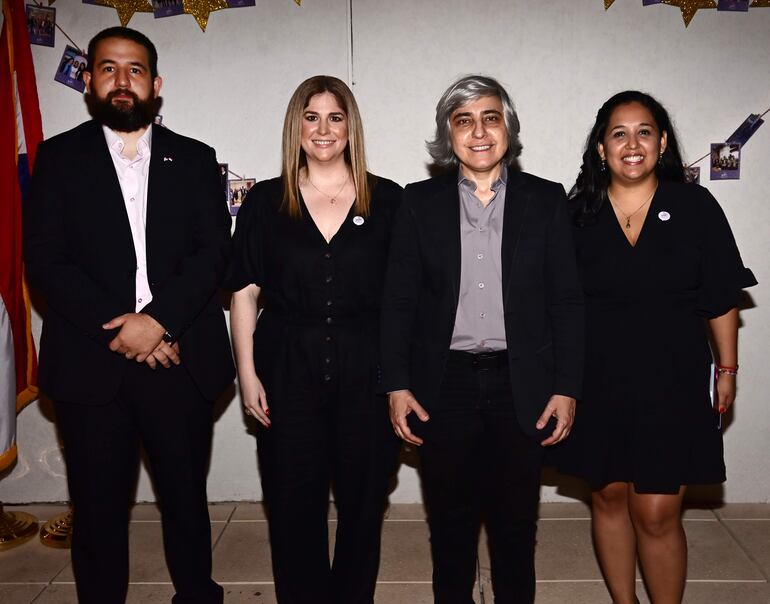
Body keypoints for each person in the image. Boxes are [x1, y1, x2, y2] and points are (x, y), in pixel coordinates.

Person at [24, 27, 234, 604]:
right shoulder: (59, 159)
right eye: (109, 68)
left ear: (155, 83)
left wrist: (158, 321)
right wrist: (125, 329)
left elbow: (212, 252)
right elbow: (46, 260)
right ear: (89, 80)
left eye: (135, 69)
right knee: (96, 511)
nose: (123, 80)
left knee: (186, 503)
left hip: (178, 358)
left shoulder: (194, 159)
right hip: (91, 366)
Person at [380, 75, 585, 604]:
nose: (478, 131)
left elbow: (566, 301)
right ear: (448, 135)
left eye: (490, 117)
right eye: (463, 120)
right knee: (450, 530)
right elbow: (399, 302)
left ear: (508, 129)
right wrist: (396, 384)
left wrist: (567, 387)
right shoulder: (417, 203)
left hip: (524, 382)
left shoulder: (545, 200)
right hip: (443, 384)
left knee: (516, 529)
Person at [557, 90, 757, 604]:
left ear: (662, 142)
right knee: (608, 497)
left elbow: (719, 295)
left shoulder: (694, 206)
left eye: (644, 131)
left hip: (672, 382)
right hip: (594, 380)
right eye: (618, 133)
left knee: (657, 510)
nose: (631, 143)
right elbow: (552, 304)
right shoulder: (575, 213)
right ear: (601, 148)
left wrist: (727, 369)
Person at [226, 75, 402, 604]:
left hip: (367, 372)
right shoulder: (263, 201)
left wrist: (401, 380)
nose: (323, 128)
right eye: (310, 116)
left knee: (364, 504)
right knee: (291, 505)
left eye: (335, 116)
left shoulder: (389, 200)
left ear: (350, 127)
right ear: (296, 127)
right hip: (285, 368)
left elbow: (406, 301)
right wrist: (248, 374)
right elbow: (243, 293)